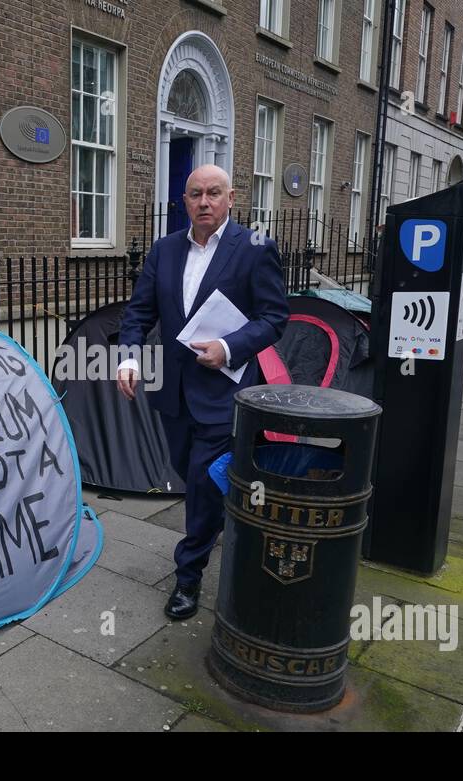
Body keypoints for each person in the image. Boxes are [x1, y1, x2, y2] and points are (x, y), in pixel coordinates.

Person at [116, 164, 289, 620]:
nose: (205, 202)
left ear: (232, 198)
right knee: (187, 473)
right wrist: (129, 357)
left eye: (214, 193)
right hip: (173, 394)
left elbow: (274, 318)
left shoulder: (254, 248)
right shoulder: (164, 249)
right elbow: (138, 313)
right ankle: (232, 517)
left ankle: (187, 577)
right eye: (196, 194)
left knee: (200, 484)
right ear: (185, 200)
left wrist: (230, 347)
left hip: (224, 392)